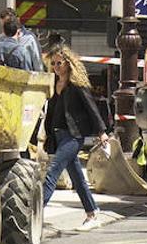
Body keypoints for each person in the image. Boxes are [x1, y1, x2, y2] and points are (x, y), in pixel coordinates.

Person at [39, 45, 109, 231]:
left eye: (59, 63)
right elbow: (52, 112)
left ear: (68, 64)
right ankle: (92, 213)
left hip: (73, 136)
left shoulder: (77, 85)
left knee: (52, 173)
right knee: (77, 178)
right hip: (59, 134)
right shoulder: (54, 84)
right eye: (53, 63)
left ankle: (35, 214)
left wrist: (101, 131)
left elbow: (91, 108)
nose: (56, 67)